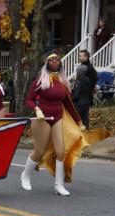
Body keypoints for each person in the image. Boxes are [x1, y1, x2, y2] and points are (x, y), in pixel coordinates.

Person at [21, 52, 86, 196]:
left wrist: (78, 121)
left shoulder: (62, 81)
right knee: (40, 151)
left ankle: (59, 185)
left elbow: (68, 104)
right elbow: (29, 100)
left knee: (61, 151)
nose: (55, 61)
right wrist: (36, 109)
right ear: (47, 63)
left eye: (57, 59)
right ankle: (25, 175)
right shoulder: (41, 79)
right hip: (42, 118)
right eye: (52, 59)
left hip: (58, 117)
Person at [73, 50, 98, 129]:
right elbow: (93, 81)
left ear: (86, 57)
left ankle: (80, 135)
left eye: (81, 56)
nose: (79, 57)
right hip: (87, 99)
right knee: (85, 118)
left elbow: (77, 93)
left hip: (81, 99)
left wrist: (73, 98)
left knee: (79, 119)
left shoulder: (86, 69)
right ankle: (86, 133)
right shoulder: (90, 68)